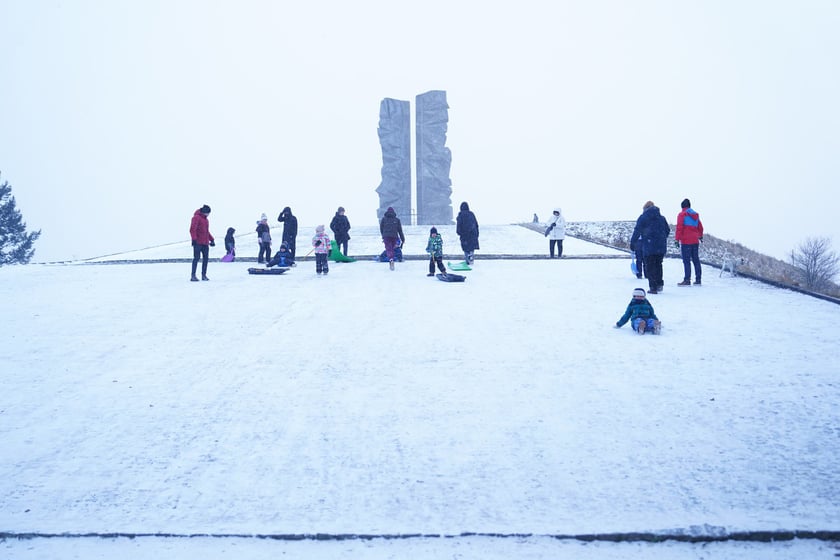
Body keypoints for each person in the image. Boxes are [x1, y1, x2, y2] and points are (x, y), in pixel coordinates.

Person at [630, 201, 670, 294]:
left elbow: (637, 231)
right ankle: (659, 284)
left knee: (650, 266)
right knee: (658, 265)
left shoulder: (643, 218)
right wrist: (662, 238)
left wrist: (633, 242)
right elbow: (667, 230)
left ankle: (653, 287)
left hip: (649, 245)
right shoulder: (662, 218)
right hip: (660, 246)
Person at [675, 198, 704, 286]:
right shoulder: (695, 215)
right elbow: (700, 227)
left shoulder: (682, 215)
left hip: (686, 241)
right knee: (696, 260)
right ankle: (698, 279)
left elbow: (679, 228)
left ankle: (687, 280)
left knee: (686, 261)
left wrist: (677, 239)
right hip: (695, 240)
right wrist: (700, 236)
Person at [189, 204, 215, 281]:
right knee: (196, 258)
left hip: (205, 243)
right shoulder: (196, 218)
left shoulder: (206, 220)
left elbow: (206, 232)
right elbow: (192, 229)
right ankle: (193, 276)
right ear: (204, 212)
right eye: (208, 213)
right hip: (198, 242)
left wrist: (212, 239)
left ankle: (204, 275)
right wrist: (194, 239)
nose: (208, 214)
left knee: (205, 259)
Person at [379, 206, 405, 271]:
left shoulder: (384, 219)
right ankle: (392, 258)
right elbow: (400, 230)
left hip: (386, 236)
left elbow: (381, 228)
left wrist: (383, 235)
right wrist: (403, 239)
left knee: (389, 249)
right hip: (394, 236)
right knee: (393, 249)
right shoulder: (397, 220)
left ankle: (391, 259)